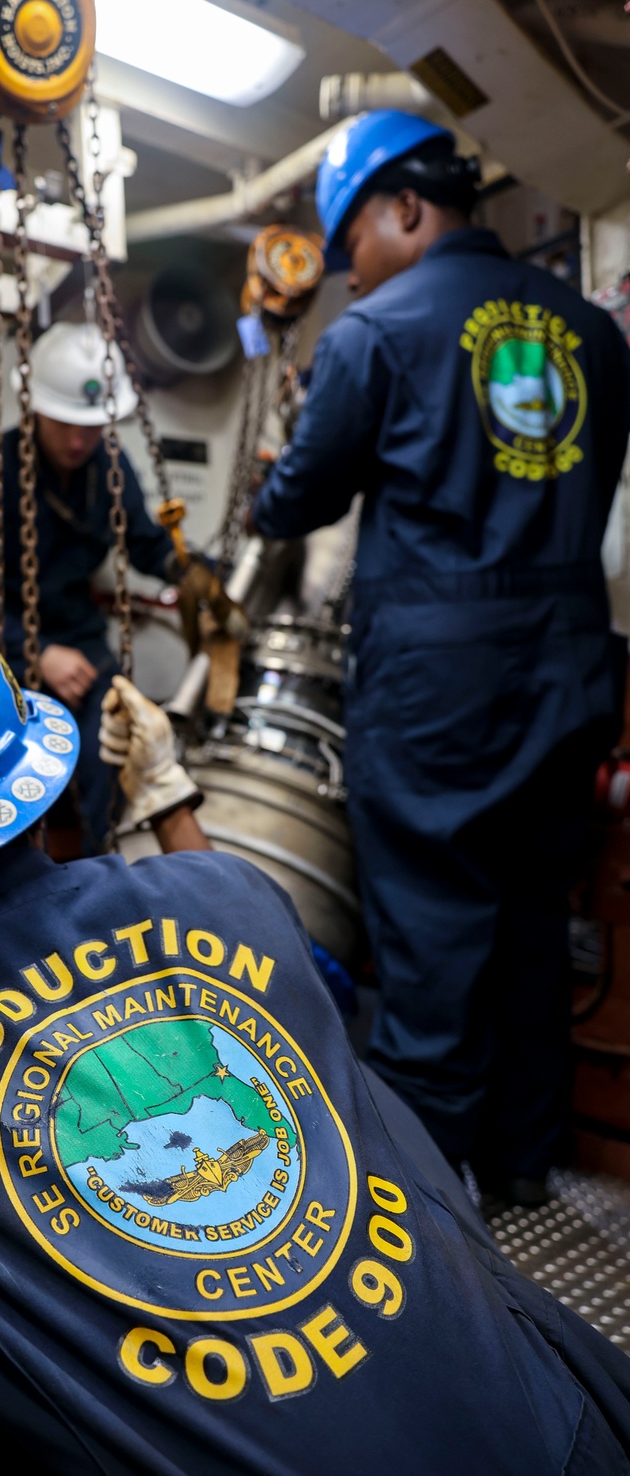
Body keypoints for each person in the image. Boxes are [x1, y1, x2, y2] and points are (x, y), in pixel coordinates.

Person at [0, 599, 630, 1475]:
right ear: (40, 785)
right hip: (549, 1424)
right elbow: (267, 966)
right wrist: (169, 798)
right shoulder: (233, 895)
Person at [250, 110, 630, 1205]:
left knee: (425, 936)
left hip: (438, 682)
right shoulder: (594, 337)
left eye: (349, 243)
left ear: (404, 207)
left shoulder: (377, 334)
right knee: (526, 926)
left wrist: (286, 460)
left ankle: (420, 1211)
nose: (347, 274)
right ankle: (521, 1167)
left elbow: (294, 502)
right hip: (570, 667)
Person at [0, 320, 175, 851]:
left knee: (111, 759)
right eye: (66, 422)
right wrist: (35, 654)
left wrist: (192, 572)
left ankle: (106, 880)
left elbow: (146, 544)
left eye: (91, 426)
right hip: (2, 653)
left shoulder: (109, 468)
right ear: (34, 405)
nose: (77, 440)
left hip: (84, 649)